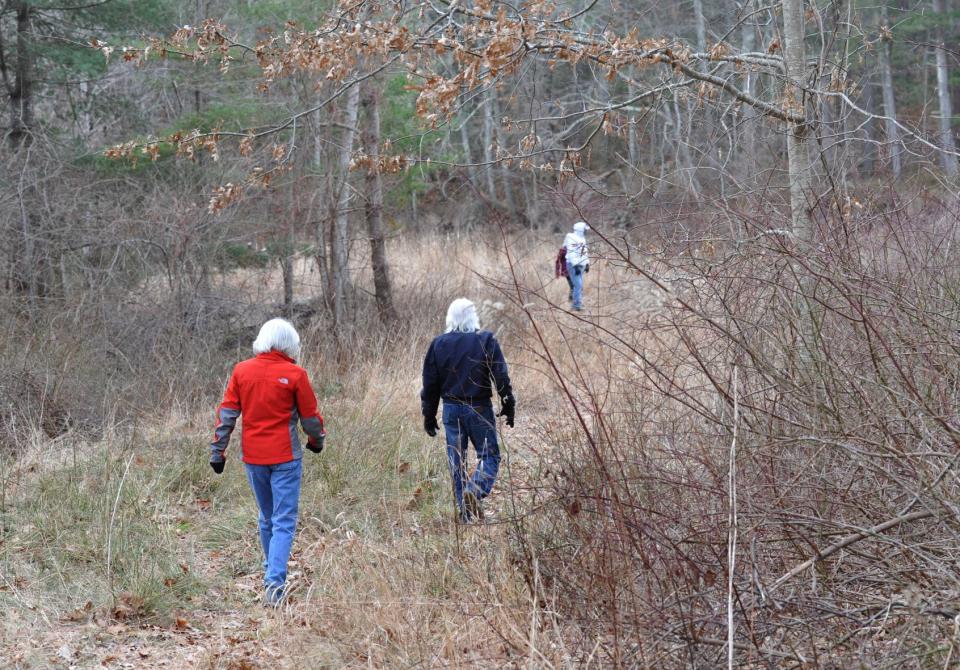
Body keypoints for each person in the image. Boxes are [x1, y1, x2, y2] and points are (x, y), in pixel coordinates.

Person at [209, 318, 326, 607]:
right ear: (289, 343)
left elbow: (226, 415)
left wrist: (217, 452)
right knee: (283, 521)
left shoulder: (242, 371)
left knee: (267, 517)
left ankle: (270, 572)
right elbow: (311, 419)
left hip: (254, 458)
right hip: (286, 458)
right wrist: (316, 442)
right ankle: (274, 583)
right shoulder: (296, 374)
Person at [420, 298, 515, 522]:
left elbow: (430, 384)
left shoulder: (438, 344)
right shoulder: (486, 340)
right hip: (479, 408)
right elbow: (500, 375)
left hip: (451, 410)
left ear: (449, 318)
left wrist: (429, 414)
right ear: (474, 317)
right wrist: (508, 402)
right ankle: (475, 490)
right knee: (490, 455)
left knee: (457, 461)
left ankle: (464, 513)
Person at [563, 221, 590, 310]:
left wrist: (587, 263)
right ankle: (576, 305)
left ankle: (577, 303)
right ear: (580, 230)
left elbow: (584, 252)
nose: (586, 232)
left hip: (581, 265)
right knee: (578, 285)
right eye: (585, 230)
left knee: (578, 285)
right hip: (573, 265)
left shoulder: (582, 238)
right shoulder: (571, 237)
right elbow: (571, 252)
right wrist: (575, 265)